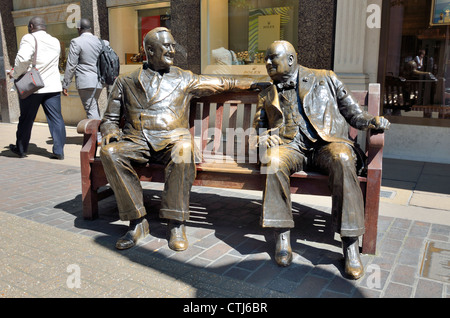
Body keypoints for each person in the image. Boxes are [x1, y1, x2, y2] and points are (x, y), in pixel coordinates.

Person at [100, 27, 256, 251]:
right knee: (110, 152)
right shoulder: (126, 82)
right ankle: (137, 222)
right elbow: (109, 118)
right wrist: (110, 131)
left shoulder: (185, 78)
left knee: (184, 149)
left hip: (173, 139)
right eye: (167, 46)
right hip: (137, 140)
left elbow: (220, 83)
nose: (172, 51)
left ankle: (176, 224)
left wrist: (253, 84)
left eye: (173, 46)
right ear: (150, 50)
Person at [252, 40, 390, 279]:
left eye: (272, 57)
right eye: (266, 58)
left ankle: (349, 245)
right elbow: (260, 126)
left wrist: (372, 121)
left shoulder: (325, 78)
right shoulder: (267, 93)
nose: (267, 63)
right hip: (290, 146)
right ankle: (282, 237)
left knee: (343, 157)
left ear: (291, 59)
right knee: (272, 161)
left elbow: (354, 112)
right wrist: (263, 138)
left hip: (327, 144)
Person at [8, 17, 66, 160]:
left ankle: (21, 149)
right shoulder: (55, 41)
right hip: (52, 86)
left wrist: (14, 73)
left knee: (26, 119)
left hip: (32, 86)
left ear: (31, 26)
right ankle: (58, 151)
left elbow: (22, 59)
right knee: (56, 118)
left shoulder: (29, 38)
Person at [62, 18, 106, 143]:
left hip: (86, 82)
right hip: (99, 82)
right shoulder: (99, 41)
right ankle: (101, 134)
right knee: (94, 108)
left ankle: (98, 138)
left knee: (91, 109)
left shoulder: (76, 41)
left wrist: (66, 84)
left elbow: (71, 65)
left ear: (79, 29)